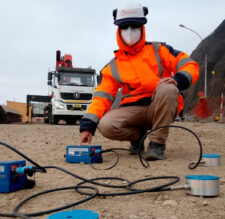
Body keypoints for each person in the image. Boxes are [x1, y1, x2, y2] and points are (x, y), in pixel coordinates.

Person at [79, 0, 199, 160]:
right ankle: (137, 137)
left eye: (134, 26)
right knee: (106, 126)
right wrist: (88, 126)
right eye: (124, 27)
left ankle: (157, 144)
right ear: (118, 30)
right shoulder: (113, 66)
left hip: (159, 105)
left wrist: (178, 80)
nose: (129, 31)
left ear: (142, 28)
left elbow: (189, 64)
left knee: (168, 88)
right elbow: (101, 97)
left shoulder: (160, 50)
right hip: (133, 110)